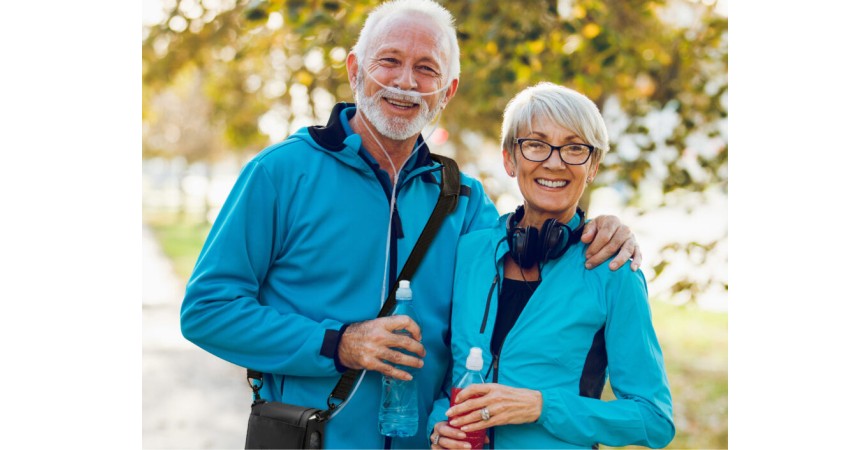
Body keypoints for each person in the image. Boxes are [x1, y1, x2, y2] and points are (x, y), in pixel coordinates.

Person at [180, 1, 641, 448]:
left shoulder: (464, 200)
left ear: (448, 90)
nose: (405, 81)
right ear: (355, 69)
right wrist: (339, 343)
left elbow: (529, 251)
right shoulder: (281, 173)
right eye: (389, 61)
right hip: (310, 437)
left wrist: (602, 228)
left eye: (426, 68)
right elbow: (207, 310)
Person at [427, 82, 674, 449]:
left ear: (593, 166)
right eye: (536, 144)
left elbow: (653, 420)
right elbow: (447, 375)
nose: (555, 162)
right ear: (510, 159)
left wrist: (541, 406)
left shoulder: (613, 269)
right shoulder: (470, 251)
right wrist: (438, 424)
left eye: (575, 148)